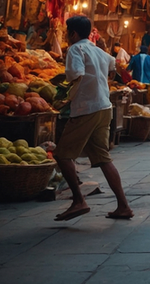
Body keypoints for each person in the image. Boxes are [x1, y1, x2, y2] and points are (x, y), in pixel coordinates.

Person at [53, 15, 133, 221]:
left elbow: (76, 74)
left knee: (62, 155)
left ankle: (79, 200)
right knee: (103, 158)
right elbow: (112, 68)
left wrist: (62, 85)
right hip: (104, 107)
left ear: (73, 33)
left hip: (86, 108)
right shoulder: (100, 51)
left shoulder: (75, 49)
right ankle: (123, 206)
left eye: (68, 32)